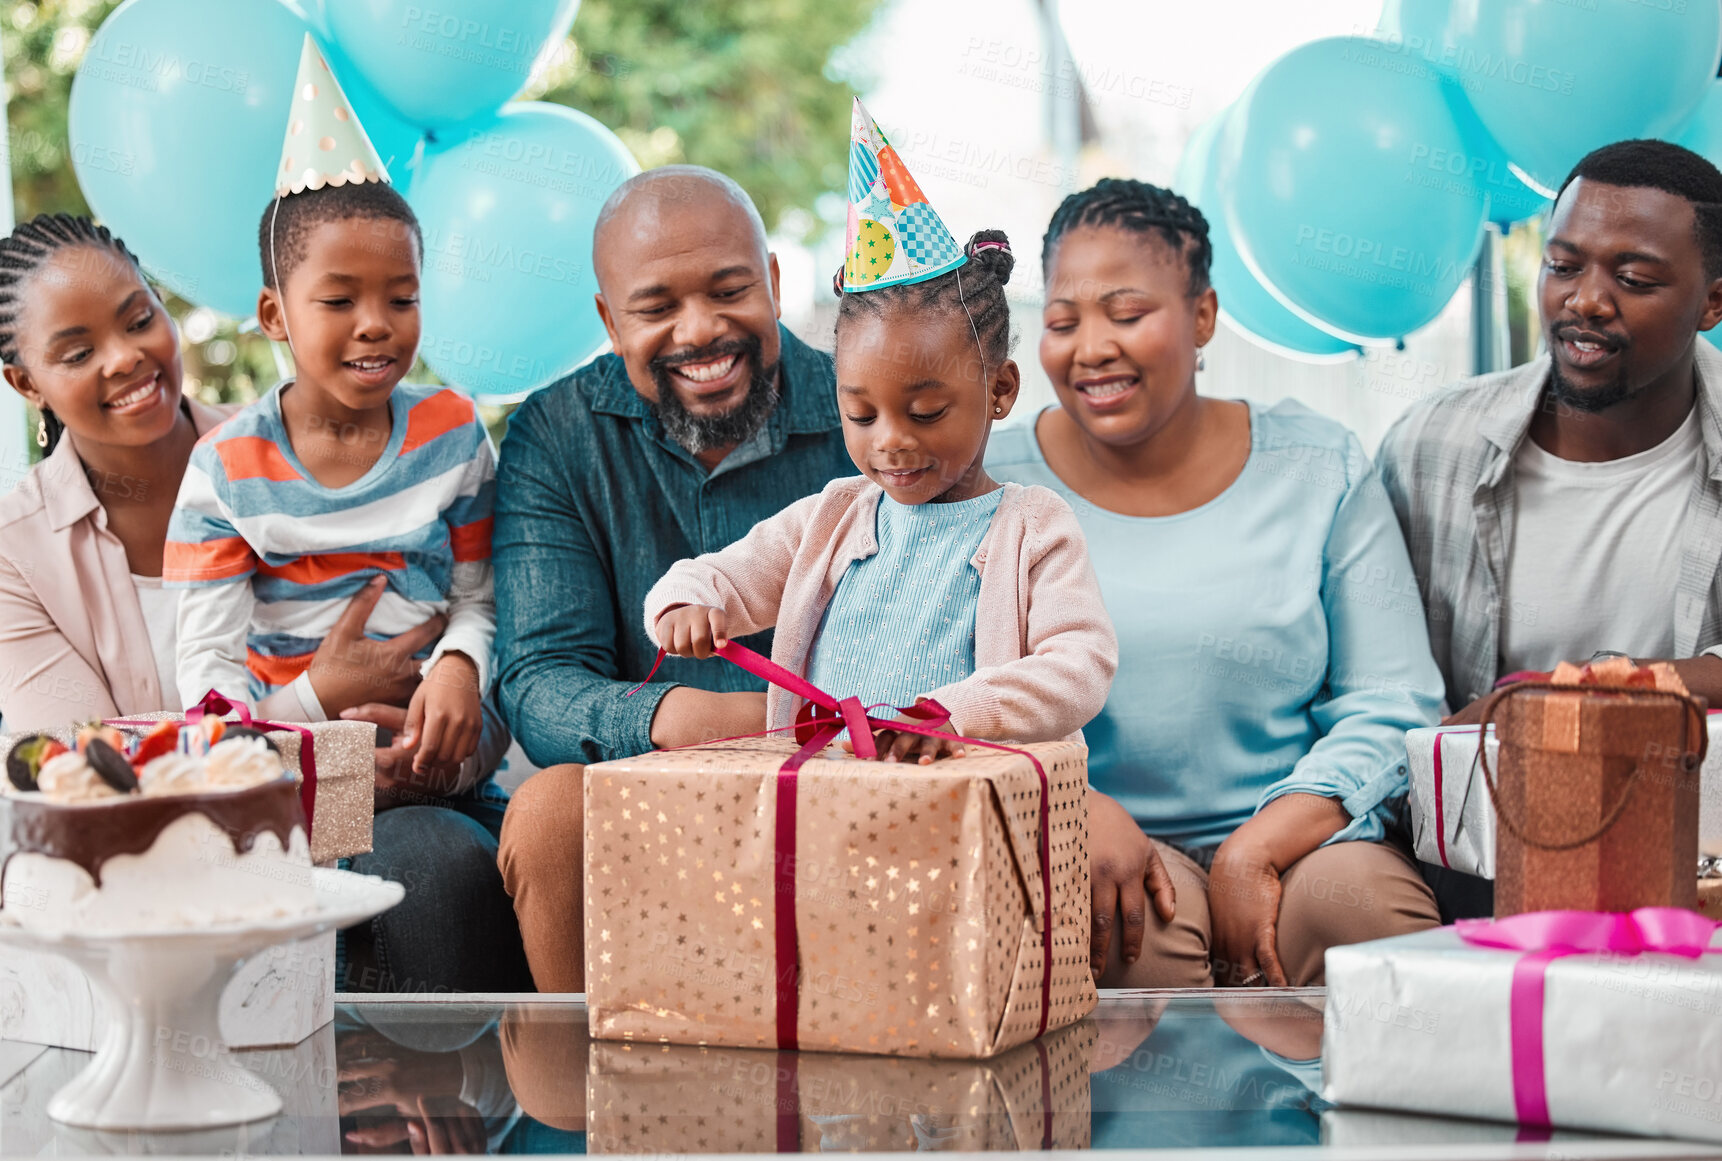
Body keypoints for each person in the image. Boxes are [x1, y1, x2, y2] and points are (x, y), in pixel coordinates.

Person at [989, 178, 1445, 988]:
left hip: (1301, 837)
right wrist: (1064, 803)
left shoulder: (1318, 466)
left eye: (1126, 314)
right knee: (1131, 943)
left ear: (1203, 315)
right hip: (1090, 839)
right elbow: (937, 697)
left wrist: (1258, 845)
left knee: (1369, 922)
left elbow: (1394, 699)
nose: (1091, 346)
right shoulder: (991, 484)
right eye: (1063, 322)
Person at [493, 166, 854, 991]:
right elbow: (538, 680)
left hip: (844, 787)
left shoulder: (865, 411)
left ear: (770, 278)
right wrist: (699, 719)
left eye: (730, 290)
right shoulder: (556, 434)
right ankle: (587, 1102)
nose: (702, 331)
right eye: (657, 309)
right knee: (548, 813)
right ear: (609, 321)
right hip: (647, 801)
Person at [1378, 139, 1722, 918]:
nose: (1586, 301)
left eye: (1632, 279)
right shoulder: (1430, 446)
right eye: (1564, 266)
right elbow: (1373, 683)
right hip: (1477, 868)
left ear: (1713, 301)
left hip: (1699, 863)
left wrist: (1553, 694)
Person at [647, 226, 1116, 756]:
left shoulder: (1033, 527)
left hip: (963, 809)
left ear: (1000, 390)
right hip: (826, 798)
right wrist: (688, 602)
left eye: (925, 413)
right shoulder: (831, 518)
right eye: (862, 415)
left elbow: (1080, 664)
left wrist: (955, 715)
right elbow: (721, 576)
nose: (890, 440)